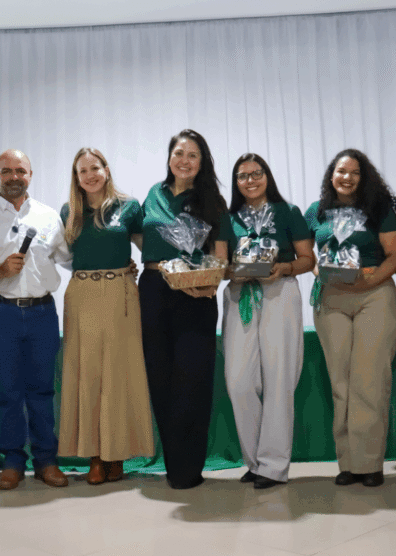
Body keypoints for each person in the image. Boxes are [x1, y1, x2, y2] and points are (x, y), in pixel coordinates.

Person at [0, 148, 71, 491]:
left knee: (42, 390)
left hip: (42, 312)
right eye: (7, 171)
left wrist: (115, 264)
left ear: (31, 174)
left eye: (21, 171)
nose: (14, 176)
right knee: (9, 391)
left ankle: (46, 460)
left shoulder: (48, 216)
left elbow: (69, 258)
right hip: (2, 313)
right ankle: (12, 460)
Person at [305, 149, 396, 488]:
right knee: (341, 384)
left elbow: (395, 256)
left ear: (365, 178)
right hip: (331, 299)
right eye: (340, 171)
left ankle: (370, 463)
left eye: (354, 172)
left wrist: (369, 279)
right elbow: (309, 257)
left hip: (373, 296)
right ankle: (347, 462)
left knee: (371, 381)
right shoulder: (315, 212)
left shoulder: (380, 209)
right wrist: (322, 271)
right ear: (330, 174)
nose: (346, 177)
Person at [139, 129, 232, 490]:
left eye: (193, 155)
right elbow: (142, 237)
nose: (184, 160)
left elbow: (220, 256)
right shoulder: (153, 195)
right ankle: (172, 462)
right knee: (160, 380)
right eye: (179, 153)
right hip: (152, 293)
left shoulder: (212, 201)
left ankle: (189, 468)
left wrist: (207, 284)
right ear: (169, 157)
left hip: (195, 294)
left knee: (192, 382)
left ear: (202, 161)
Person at [58, 147, 154, 484]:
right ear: (77, 177)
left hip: (120, 293)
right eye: (82, 171)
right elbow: (60, 255)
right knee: (89, 375)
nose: (90, 175)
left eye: (94, 168)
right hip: (82, 295)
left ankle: (119, 455)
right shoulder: (69, 211)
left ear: (107, 170)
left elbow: (150, 249)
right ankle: (96, 457)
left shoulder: (129, 207)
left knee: (119, 374)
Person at [222, 153, 315, 490]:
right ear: (235, 182)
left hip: (279, 293)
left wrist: (284, 268)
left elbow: (308, 259)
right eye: (242, 176)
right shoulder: (227, 217)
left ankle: (273, 466)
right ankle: (254, 459)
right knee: (239, 382)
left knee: (279, 379)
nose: (250, 180)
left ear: (267, 175)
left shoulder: (287, 212)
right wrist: (233, 271)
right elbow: (219, 262)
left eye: (256, 173)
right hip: (240, 295)